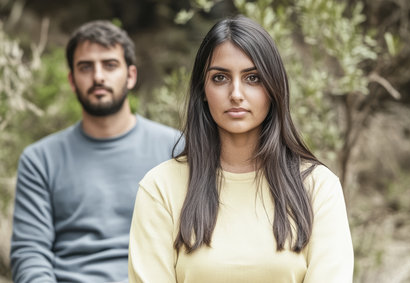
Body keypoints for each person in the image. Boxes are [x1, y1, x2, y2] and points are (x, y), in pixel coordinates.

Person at [128, 15, 354, 283]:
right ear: (203, 89)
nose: (236, 93)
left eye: (253, 78)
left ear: (273, 88)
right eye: (221, 77)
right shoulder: (160, 187)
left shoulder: (318, 187)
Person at [10, 20, 181, 283]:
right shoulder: (40, 159)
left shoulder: (175, 148)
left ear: (131, 76)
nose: (98, 76)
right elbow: (30, 252)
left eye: (110, 65)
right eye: (85, 67)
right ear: (72, 80)